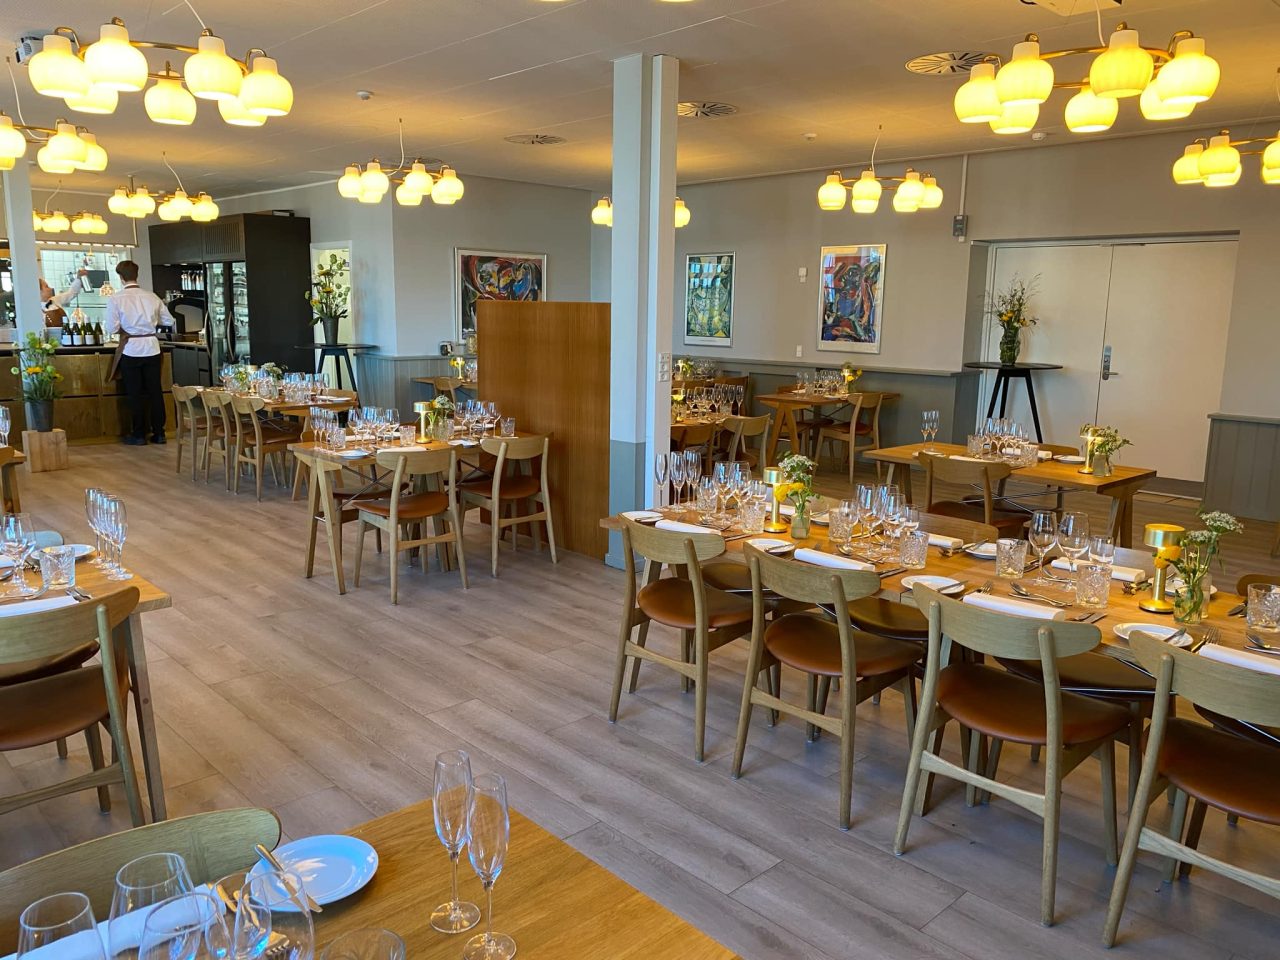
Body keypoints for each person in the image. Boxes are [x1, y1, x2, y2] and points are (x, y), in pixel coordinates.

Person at [105, 261, 174, 446]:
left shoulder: (116, 299)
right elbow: (169, 320)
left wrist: (129, 327)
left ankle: (138, 434)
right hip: (152, 347)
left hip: (131, 348)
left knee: (134, 393)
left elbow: (111, 328)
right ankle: (159, 433)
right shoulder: (152, 296)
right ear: (137, 275)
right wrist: (150, 323)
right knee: (155, 391)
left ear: (121, 277)